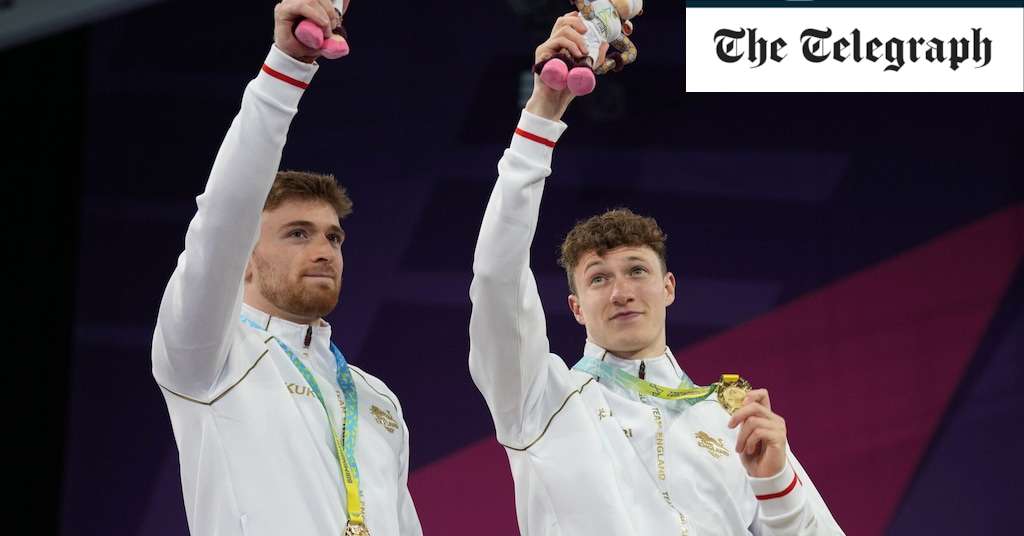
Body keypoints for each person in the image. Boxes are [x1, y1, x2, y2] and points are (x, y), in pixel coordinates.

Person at [469, 12, 845, 535]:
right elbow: (496, 276)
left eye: (637, 271)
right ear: (575, 307)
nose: (621, 292)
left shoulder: (731, 418)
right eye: (598, 278)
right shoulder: (541, 398)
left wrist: (777, 487)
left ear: (668, 288)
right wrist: (542, 115)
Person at [151, 1, 421, 534]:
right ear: (245, 256)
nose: (323, 250)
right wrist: (287, 69)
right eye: (297, 233)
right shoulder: (211, 359)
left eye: (333, 237)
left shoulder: (375, 396)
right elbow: (221, 219)